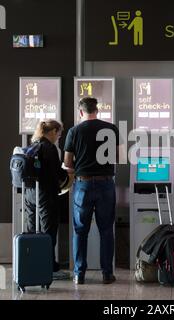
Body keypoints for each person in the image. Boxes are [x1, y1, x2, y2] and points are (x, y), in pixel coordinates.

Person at [64, 97, 121, 285]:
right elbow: (119, 157)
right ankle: (107, 273)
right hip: (106, 185)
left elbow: (67, 163)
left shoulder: (74, 131)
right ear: (97, 110)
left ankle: (79, 274)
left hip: (83, 185)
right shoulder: (111, 129)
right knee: (106, 230)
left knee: (80, 231)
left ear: (81, 112)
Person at [25, 120, 69, 275]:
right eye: (59, 133)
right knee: (48, 232)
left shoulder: (33, 145)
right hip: (45, 195)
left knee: (32, 231)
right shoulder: (49, 148)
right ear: (52, 132)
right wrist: (67, 174)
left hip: (30, 195)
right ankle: (48, 266)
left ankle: (32, 264)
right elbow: (57, 173)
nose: (59, 136)